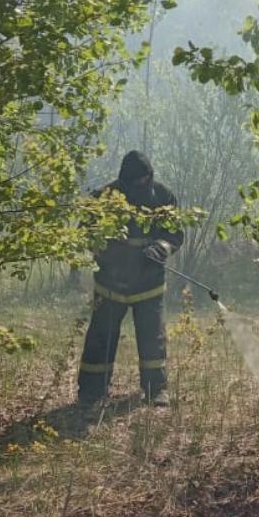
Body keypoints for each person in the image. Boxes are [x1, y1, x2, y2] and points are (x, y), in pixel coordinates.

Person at [78, 150, 183, 408]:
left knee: (152, 340)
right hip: (110, 284)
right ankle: (91, 392)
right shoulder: (104, 198)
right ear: (123, 181)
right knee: (100, 338)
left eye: (144, 180)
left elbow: (174, 236)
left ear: (150, 177)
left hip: (148, 284)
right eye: (135, 183)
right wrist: (105, 249)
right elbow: (86, 234)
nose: (140, 186)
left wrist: (160, 248)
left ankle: (156, 390)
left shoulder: (164, 197)